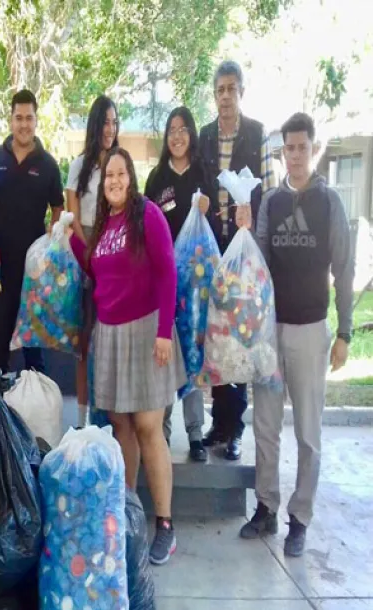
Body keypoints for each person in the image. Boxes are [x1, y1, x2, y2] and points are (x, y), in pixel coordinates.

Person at [239, 112, 354, 556]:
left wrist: (344, 331)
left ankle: (299, 517)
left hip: (310, 331)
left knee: (308, 431)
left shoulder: (330, 202)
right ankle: (266, 507)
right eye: (290, 148)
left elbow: (344, 268)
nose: (297, 155)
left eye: (303, 147)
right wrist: (246, 234)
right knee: (266, 425)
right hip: (270, 330)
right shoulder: (272, 201)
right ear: (282, 151)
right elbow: (260, 261)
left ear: (313, 148)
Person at [70, 147, 185, 566]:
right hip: (112, 334)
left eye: (121, 174)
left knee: (149, 425)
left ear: (131, 178)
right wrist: (68, 236)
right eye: (109, 176)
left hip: (147, 329)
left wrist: (162, 333)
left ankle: (165, 524)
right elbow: (96, 270)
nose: (115, 181)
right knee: (121, 425)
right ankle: (129, 515)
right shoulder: (103, 225)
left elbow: (168, 270)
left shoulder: (147, 214)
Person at [198, 60, 277, 460]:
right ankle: (218, 423)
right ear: (214, 96)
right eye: (220, 90)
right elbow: (198, 183)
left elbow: (269, 191)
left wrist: (255, 223)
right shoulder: (206, 136)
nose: (225, 96)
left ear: (242, 92)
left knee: (242, 334)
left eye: (232, 89)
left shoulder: (258, 134)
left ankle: (235, 428)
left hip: (247, 248)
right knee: (218, 330)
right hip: (215, 246)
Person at [145, 106, 214, 462]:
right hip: (164, 281)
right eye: (171, 129)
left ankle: (196, 432)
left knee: (192, 351)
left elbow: (217, 225)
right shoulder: (156, 179)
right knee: (165, 349)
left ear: (192, 134)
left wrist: (207, 206)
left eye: (183, 129)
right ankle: (163, 429)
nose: (176, 136)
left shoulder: (204, 174)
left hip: (198, 285)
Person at [0, 89, 64, 374]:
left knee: (33, 344)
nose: (24, 124)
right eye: (19, 118)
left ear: (36, 120)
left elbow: (58, 208)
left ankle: (35, 404)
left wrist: (51, 244)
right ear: (11, 120)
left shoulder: (48, 165)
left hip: (34, 270)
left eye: (29, 118)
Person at [66, 95, 118, 428]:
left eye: (115, 122)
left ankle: (109, 419)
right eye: (105, 122)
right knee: (83, 343)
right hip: (83, 254)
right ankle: (82, 422)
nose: (110, 129)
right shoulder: (79, 165)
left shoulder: (119, 164)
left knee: (110, 340)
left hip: (114, 253)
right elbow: (71, 215)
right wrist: (89, 254)